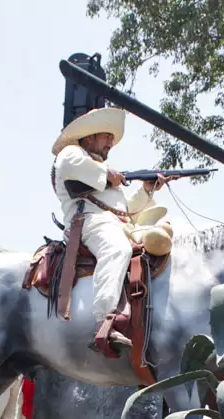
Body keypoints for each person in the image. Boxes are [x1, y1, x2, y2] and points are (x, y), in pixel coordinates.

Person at [51, 107, 171, 355]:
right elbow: (69, 164)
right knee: (117, 249)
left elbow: (126, 211)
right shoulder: (72, 154)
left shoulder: (99, 172)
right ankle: (105, 322)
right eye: (106, 137)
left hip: (114, 224)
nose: (110, 143)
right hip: (89, 222)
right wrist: (108, 174)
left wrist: (147, 190)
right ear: (89, 137)